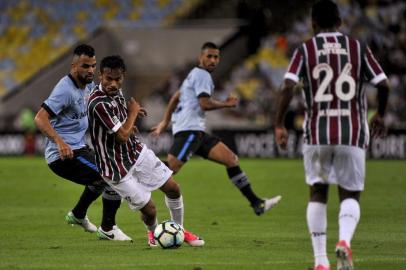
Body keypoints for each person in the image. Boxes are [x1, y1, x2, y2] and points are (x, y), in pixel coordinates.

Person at [274, 1, 390, 270]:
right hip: (352, 133)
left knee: (317, 192)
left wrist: (279, 123)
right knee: (350, 194)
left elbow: (288, 86)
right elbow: (383, 83)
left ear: (313, 24)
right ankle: (344, 241)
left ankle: (320, 261)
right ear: (340, 22)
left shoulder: (305, 49)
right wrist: (381, 115)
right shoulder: (358, 48)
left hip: (316, 133)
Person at [151, 42, 282, 216]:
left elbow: (176, 96)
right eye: (209, 56)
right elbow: (204, 104)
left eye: (216, 57)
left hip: (196, 131)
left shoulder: (193, 74)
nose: (213, 60)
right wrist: (225, 104)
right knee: (169, 169)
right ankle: (131, 180)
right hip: (189, 130)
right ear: (201, 57)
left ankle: (257, 203)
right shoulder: (202, 75)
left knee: (231, 159)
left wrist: (164, 122)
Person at [87, 55, 204, 247]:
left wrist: (128, 115)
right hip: (115, 167)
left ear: (123, 76)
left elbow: (120, 118)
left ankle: (179, 231)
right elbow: (121, 136)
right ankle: (153, 235)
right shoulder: (97, 102)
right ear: (101, 76)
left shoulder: (116, 92)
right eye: (109, 79)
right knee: (150, 210)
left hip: (135, 152)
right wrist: (133, 113)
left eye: (118, 79)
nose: (114, 84)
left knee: (173, 188)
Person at [34, 44, 131, 241]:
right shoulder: (65, 89)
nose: (90, 71)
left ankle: (78, 215)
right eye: (85, 66)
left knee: (100, 179)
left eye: (93, 66)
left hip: (80, 149)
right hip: (63, 155)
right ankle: (108, 228)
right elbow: (40, 118)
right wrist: (60, 142)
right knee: (110, 176)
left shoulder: (87, 86)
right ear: (74, 66)